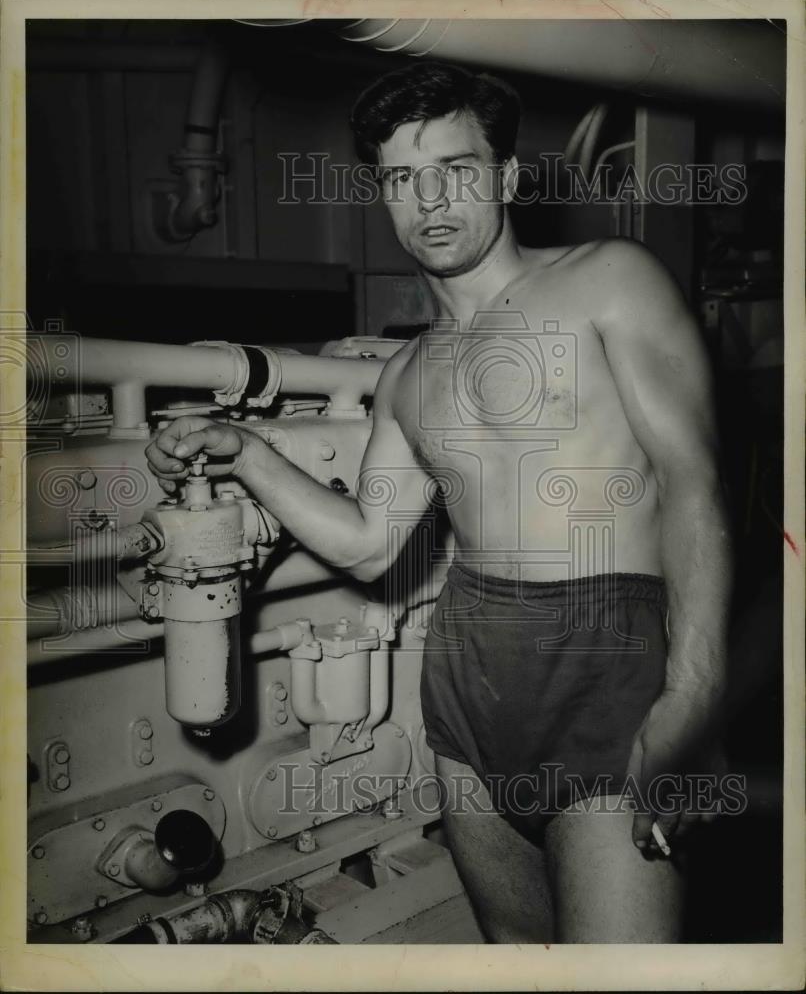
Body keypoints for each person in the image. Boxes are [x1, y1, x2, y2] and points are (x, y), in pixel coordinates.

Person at [146, 62, 732, 943]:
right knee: (514, 958)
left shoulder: (609, 280)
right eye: (401, 180)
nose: (431, 199)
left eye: (456, 169)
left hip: (605, 668)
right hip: (466, 686)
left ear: (505, 175)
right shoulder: (408, 374)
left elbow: (695, 483)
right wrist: (248, 453)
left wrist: (693, 692)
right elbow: (369, 541)